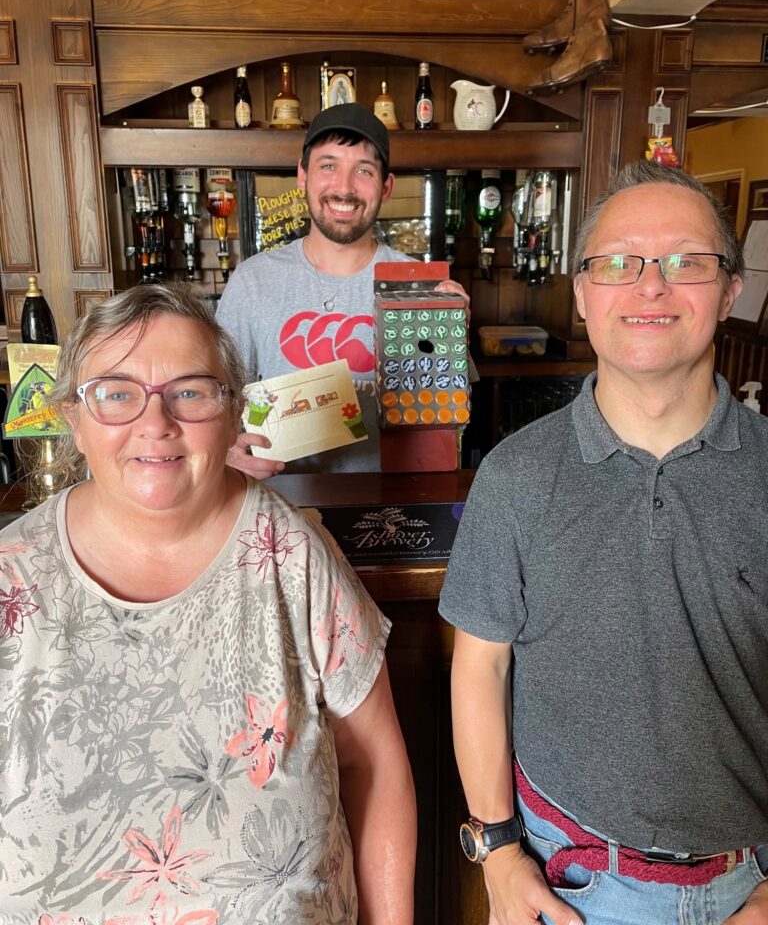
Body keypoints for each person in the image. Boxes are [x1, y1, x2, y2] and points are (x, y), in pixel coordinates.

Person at [0, 284, 416, 925]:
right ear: (74, 421)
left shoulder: (293, 555)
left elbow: (375, 763)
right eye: (116, 393)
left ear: (233, 415)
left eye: (190, 392)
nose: (155, 423)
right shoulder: (11, 575)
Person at [439, 161, 768, 925]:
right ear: (583, 295)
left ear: (731, 289)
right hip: (568, 881)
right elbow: (479, 669)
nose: (649, 286)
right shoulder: (515, 476)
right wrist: (498, 852)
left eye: (685, 262)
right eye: (618, 263)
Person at [217, 102, 467, 477]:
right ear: (303, 176)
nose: (344, 188)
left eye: (363, 170)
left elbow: (450, 419)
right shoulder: (253, 281)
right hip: (282, 506)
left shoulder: (419, 286)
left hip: (394, 504)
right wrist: (225, 447)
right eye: (328, 165)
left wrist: (451, 346)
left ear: (386, 187)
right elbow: (216, 399)